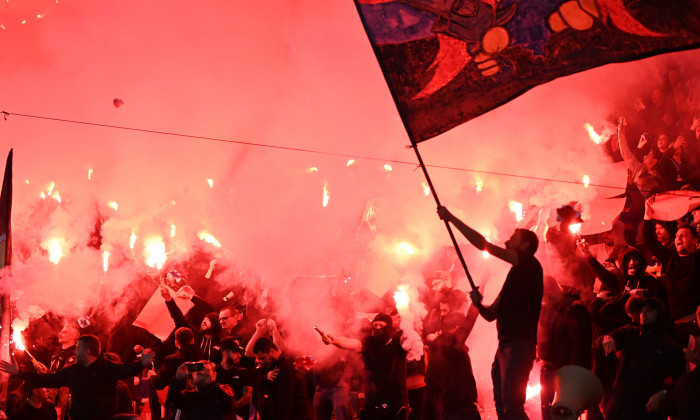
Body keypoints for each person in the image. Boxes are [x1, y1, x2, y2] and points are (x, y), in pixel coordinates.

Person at [438, 205, 543, 420]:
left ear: (523, 245)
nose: (508, 239)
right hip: (505, 347)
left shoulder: (529, 264)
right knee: (502, 405)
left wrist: (451, 219)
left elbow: (483, 245)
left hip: (519, 346)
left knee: (512, 405)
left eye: (513, 237)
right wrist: (478, 303)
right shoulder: (513, 278)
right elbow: (490, 315)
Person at [0, 334, 154, 420]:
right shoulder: (73, 371)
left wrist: (142, 364)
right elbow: (46, 380)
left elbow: (127, 369)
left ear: (87, 351)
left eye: (78, 348)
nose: (75, 352)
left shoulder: (107, 368)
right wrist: (19, 373)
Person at [600, 298, 685, 420]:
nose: (644, 314)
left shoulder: (669, 345)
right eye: (641, 311)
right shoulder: (631, 332)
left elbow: (681, 380)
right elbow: (606, 318)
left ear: (659, 313)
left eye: (649, 311)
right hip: (619, 405)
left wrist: (663, 394)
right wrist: (608, 338)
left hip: (644, 409)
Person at [321, 313, 410, 420]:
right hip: (372, 400)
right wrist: (334, 340)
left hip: (396, 400)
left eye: (381, 326)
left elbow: (408, 339)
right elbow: (350, 343)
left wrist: (408, 321)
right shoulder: (368, 343)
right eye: (375, 325)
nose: (377, 328)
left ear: (389, 327)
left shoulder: (398, 342)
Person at [251, 337, 314, 420]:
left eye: (263, 358)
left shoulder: (285, 366)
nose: (261, 362)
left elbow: (285, 400)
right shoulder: (269, 365)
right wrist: (265, 377)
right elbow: (255, 382)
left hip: (297, 415)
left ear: (271, 351)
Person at [161, 285, 222, 364]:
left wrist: (191, 297)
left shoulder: (221, 342)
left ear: (215, 323)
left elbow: (208, 308)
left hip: (214, 374)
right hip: (195, 372)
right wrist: (169, 300)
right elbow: (179, 318)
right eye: (204, 319)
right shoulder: (195, 336)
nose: (204, 322)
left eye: (208, 320)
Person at [169, 360, 235, 420]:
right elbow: (174, 398)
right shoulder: (189, 396)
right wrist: (178, 379)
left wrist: (211, 383)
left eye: (206, 373)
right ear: (193, 376)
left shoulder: (224, 389)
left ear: (215, 375)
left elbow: (229, 403)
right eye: (199, 374)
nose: (203, 376)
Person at [216, 337, 254, 420]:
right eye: (235, 352)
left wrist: (230, 408)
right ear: (225, 353)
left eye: (239, 352)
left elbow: (248, 397)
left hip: (239, 416)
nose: (240, 355)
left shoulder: (244, 372)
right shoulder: (213, 372)